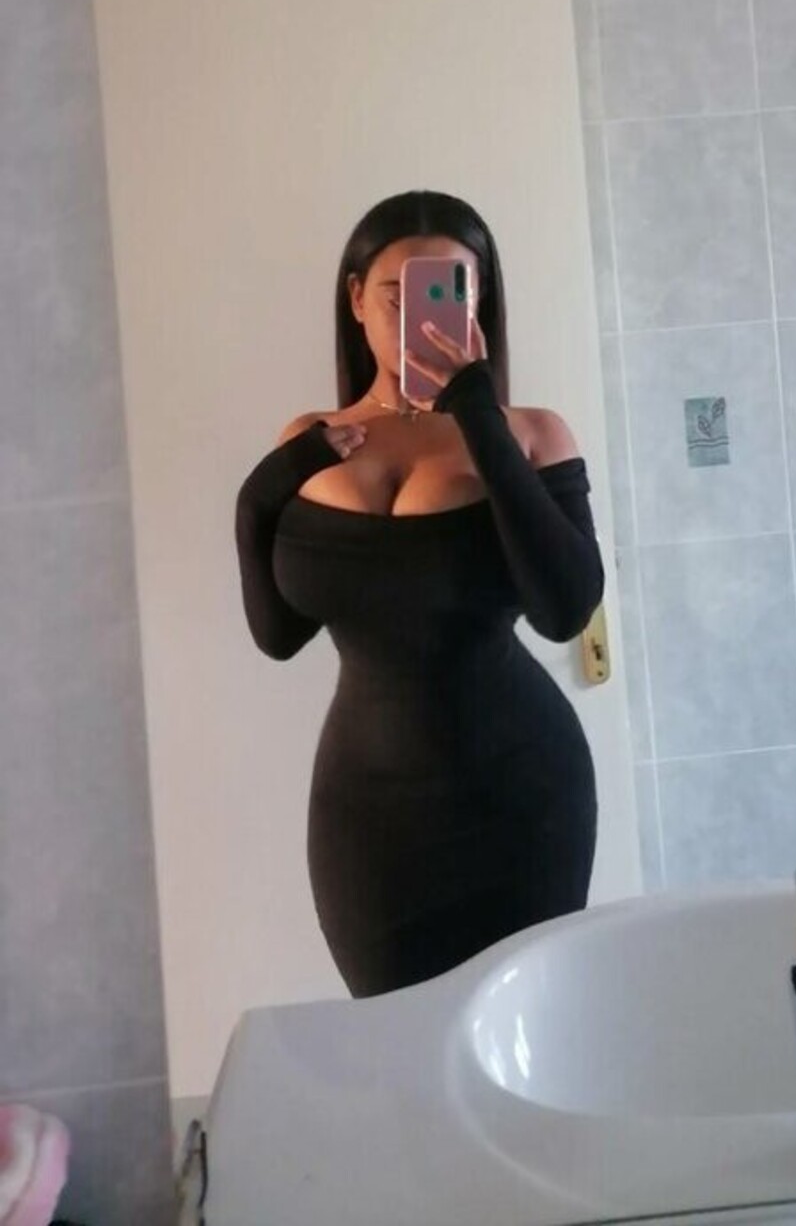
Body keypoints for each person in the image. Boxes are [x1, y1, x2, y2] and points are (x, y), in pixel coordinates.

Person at [235, 190, 603, 997]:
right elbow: (278, 633)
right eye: (397, 296)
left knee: (526, 1025)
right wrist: (256, 500)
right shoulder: (311, 440)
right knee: (393, 1038)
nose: (421, 316)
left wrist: (475, 408)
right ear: (355, 297)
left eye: (448, 292)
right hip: (367, 813)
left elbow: (564, 609)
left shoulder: (533, 433)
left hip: (524, 793)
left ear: (478, 301)